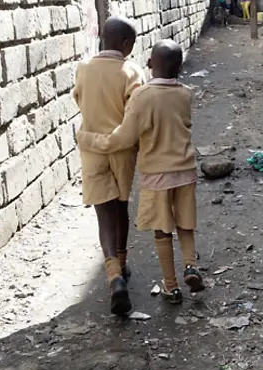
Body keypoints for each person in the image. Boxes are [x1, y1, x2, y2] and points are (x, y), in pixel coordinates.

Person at [77, 40, 206, 306]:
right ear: (180, 67)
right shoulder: (185, 94)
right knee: (184, 223)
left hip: (156, 176)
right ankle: (191, 265)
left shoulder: (142, 96)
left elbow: (123, 137)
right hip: (185, 172)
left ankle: (171, 288)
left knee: (161, 231)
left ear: (150, 64)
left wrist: (89, 139)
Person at [72, 17, 145, 315]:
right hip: (121, 150)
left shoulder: (84, 68)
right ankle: (123, 263)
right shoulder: (131, 71)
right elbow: (136, 112)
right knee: (120, 209)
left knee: (103, 214)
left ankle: (113, 273)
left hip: (91, 148)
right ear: (126, 45)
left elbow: (79, 98)